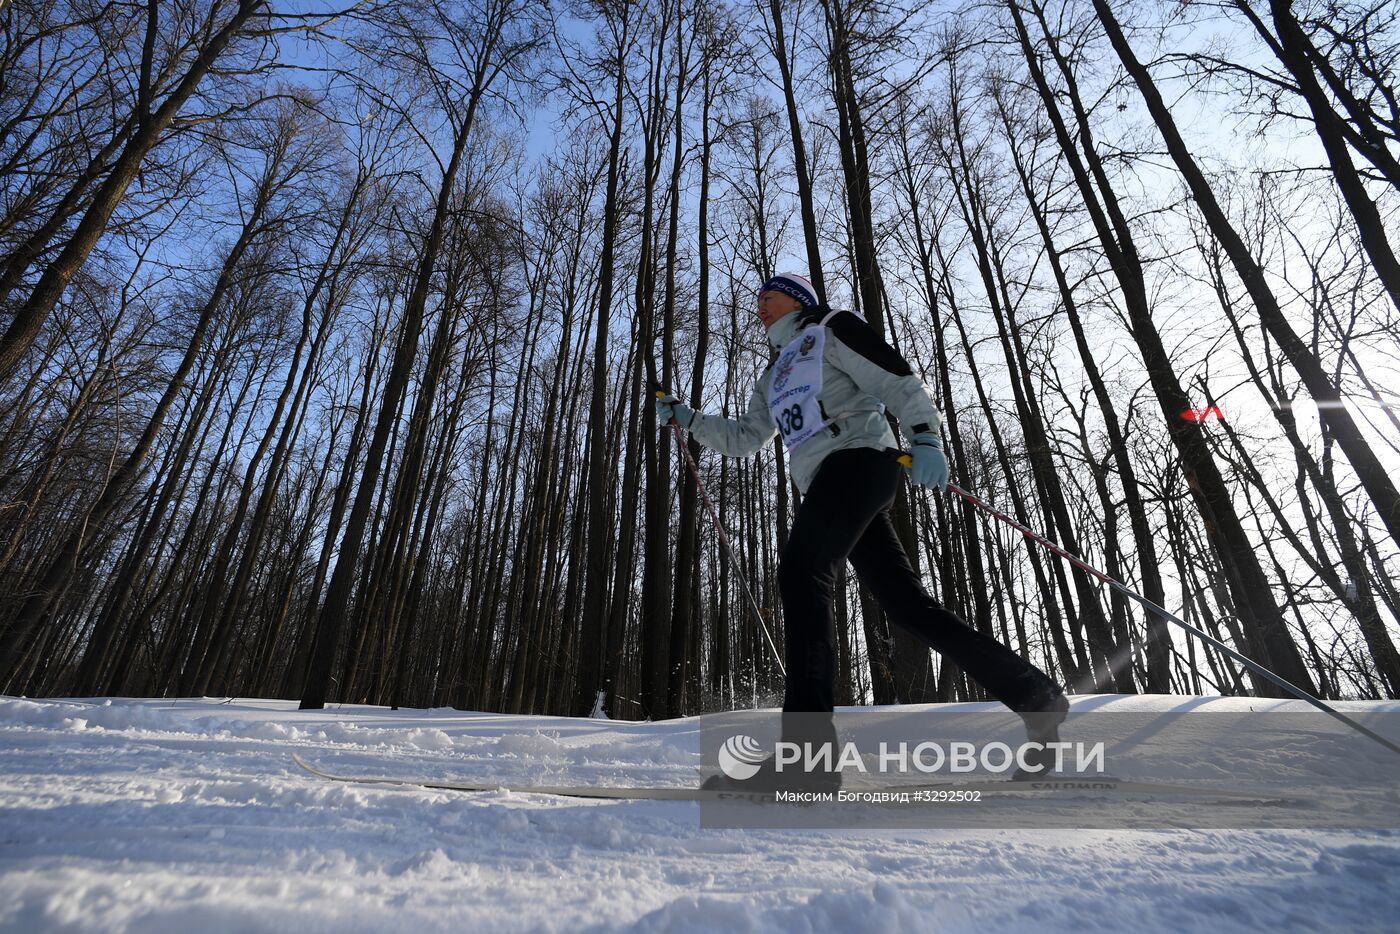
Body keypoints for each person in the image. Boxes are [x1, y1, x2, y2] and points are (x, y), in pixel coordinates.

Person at [657, 273, 1068, 790]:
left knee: (803, 573)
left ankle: (806, 762)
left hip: (860, 460)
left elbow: (893, 378)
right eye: (756, 297)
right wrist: (690, 419)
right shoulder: (772, 375)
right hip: (828, 483)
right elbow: (745, 438)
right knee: (908, 607)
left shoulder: (829, 327)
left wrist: (925, 436)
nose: (759, 303)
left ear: (799, 300)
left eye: (770, 294)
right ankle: (1038, 698)